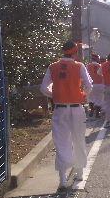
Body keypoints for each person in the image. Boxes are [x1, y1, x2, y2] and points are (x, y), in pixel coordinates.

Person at [40, 40, 93, 190]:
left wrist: (55, 95)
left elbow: (43, 88)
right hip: (76, 108)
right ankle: (79, 173)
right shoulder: (79, 66)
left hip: (60, 109)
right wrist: (82, 95)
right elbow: (89, 85)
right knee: (78, 139)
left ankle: (63, 179)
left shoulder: (53, 67)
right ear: (75, 53)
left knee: (61, 141)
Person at [87, 54, 104, 118]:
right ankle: (97, 113)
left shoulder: (88, 66)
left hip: (91, 84)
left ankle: (92, 109)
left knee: (91, 98)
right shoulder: (100, 66)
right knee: (99, 99)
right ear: (97, 59)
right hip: (99, 84)